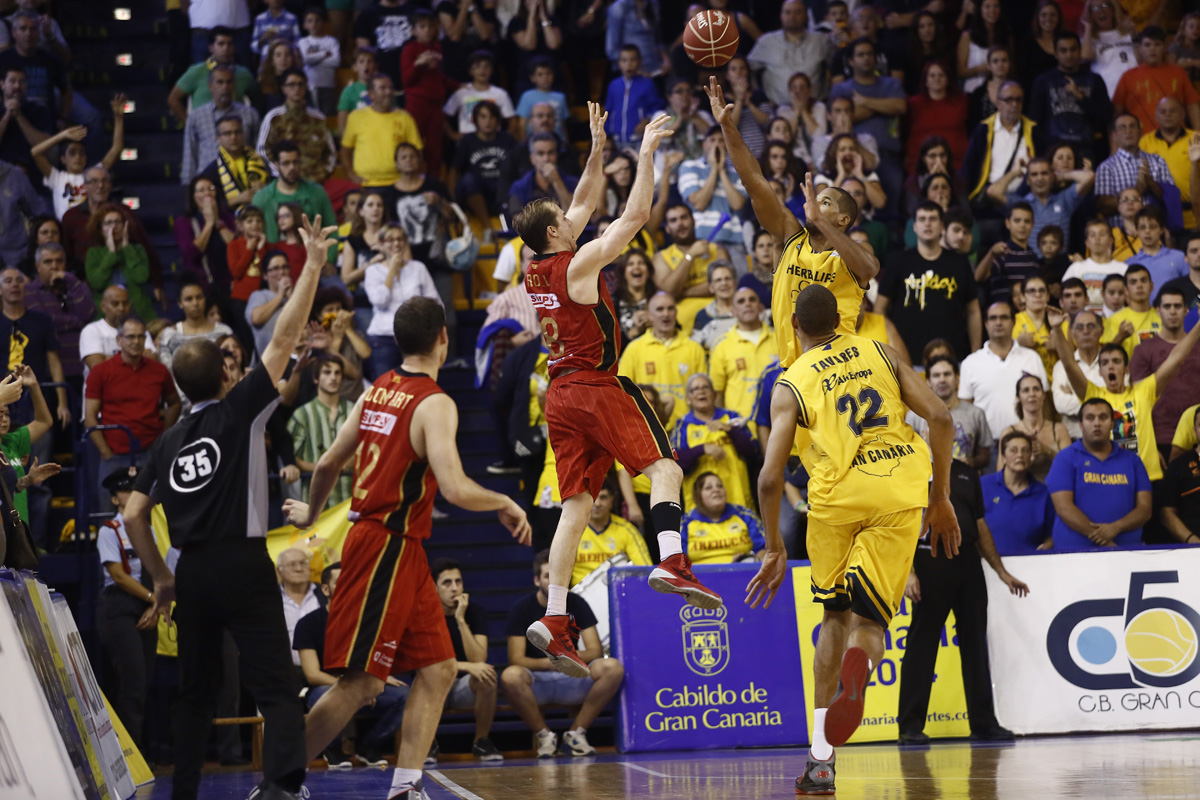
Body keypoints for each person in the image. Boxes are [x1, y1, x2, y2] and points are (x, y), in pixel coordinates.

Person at [282, 295, 530, 800]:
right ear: (444, 337)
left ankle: (405, 786)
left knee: (438, 669)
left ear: (398, 341)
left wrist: (310, 512)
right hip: (384, 546)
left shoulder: (375, 391)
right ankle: (279, 782)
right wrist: (504, 499)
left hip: (402, 548)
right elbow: (456, 487)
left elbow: (329, 462)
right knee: (361, 683)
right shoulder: (434, 402)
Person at [123, 214, 336, 800]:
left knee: (194, 692)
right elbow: (285, 339)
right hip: (243, 564)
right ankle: (282, 787)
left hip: (190, 570)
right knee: (274, 684)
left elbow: (135, 515)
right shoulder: (239, 410)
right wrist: (312, 265)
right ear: (222, 373)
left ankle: (184, 792)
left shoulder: (165, 440)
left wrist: (162, 577)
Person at [514, 106, 721, 680]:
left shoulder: (536, 267)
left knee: (575, 506)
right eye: (566, 219)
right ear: (557, 233)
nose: (576, 215)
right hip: (595, 384)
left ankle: (555, 617)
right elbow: (633, 216)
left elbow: (581, 199)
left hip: (558, 394)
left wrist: (599, 148)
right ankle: (673, 560)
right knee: (665, 470)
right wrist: (649, 151)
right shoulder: (578, 264)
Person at [752, 284, 960, 794]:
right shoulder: (880, 351)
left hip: (835, 499)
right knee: (871, 624)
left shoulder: (789, 383)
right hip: (897, 489)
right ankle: (861, 665)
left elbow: (769, 479)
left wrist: (774, 546)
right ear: (842, 320)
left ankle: (821, 760)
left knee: (834, 617)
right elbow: (940, 417)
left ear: (795, 327)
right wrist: (940, 498)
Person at [706, 77, 877, 370]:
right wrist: (727, 127)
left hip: (840, 369)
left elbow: (869, 269)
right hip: (792, 369)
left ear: (843, 219)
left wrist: (821, 225)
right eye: (815, 199)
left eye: (825, 203)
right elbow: (755, 181)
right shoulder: (789, 236)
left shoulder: (855, 252)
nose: (814, 205)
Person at [897, 456, 1026, 745]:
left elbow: (980, 524)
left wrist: (1001, 572)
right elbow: (899, 524)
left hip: (967, 560)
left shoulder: (967, 472)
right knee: (922, 644)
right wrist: (907, 572)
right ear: (923, 432)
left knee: (975, 644)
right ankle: (910, 726)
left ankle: (983, 723)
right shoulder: (909, 468)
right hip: (929, 557)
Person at [1051, 303, 1200, 483]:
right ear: (1100, 372)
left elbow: (1176, 358)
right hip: (1112, 478)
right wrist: (1057, 328)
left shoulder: (1144, 390)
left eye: (1116, 361)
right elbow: (1068, 364)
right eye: (1104, 363)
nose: (1111, 366)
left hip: (1148, 477)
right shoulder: (1093, 395)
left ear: (1127, 369)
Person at [293, 562, 408, 769]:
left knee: (404, 696)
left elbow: (372, 660)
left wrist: (376, 679)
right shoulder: (308, 623)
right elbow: (312, 674)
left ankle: (369, 747)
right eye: (340, 582)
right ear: (325, 589)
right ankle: (333, 749)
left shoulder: (366, 622)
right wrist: (354, 687)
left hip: (362, 684)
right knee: (322, 696)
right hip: (323, 688)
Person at [95, 465, 157, 752]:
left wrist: (155, 604)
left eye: (136, 490)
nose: (132, 495)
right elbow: (119, 576)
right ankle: (130, 754)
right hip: (119, 604)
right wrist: (153, 599)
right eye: (125, 491)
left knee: (144, 682)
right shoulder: (110, 531)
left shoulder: (149, 530)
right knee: (131, 680)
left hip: (147, 603)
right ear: (115, 499)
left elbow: (158, 571)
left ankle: (142, 749)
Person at [875, 203, 981, 361]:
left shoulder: (959, 263)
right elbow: (879, 310)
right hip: (906, 359)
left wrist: (975, 355)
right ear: (915, 226)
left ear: (942, 226)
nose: (927, 223)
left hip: (952, 359)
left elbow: (973, 311)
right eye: (922, 219)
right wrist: (886, 352)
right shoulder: (898, 261)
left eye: (932, 219)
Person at [1045, 397, 1153, 550]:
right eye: (1090, 418)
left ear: (1112, 424)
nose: (1096, 423)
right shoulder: (1065, 458)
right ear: (1081, 425)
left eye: (1103, 417)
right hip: (1073, 554)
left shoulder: (1132, 461)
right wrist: (1103, 538)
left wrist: (1116, 527)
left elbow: (1145, 510)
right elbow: (1063, 507)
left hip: (1126, 554)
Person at [431, 558, 503, 763]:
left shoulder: (474, 611)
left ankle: (481, 741)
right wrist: (467, 666)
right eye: (447, 583)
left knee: (487, 677)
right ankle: (429, 743)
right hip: (434, 685)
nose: (454, 588)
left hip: (464, 686)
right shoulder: (427, 614)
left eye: (458, 582)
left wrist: (461, 621)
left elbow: (479, 659)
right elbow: (430, 664)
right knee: (432, 677)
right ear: (434, 588)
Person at [959, 301, 1049, 449]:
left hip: (1028, 442)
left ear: (1013, 322)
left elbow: (1045, 403)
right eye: (993, 318)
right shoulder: (970, 363)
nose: (998, 322)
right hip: (985, 447)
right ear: (986, 324)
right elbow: (965, 411)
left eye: (1004, 317)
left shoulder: (1032, 358)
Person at [1130, 285, 1200, 466]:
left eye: (1177, 306)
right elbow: (1139, 403)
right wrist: (1149, 446)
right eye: (1167, 306)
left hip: (1196, 435)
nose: (1172, 311)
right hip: (1161, 436)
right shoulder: (1143, 350)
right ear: (1158, 311)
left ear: (1186, 310)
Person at [618, 292, 708, 429]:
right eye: (660, 309)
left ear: (676, 312)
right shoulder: (634, 349)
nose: (666, 314)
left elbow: (704, 394)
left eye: (670, 308)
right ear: (650, 315)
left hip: (687, 430)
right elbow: (623, 395)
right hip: (648, 430)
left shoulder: (694, 348)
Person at [363, 224, 440, 378]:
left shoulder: (418, 268)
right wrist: (392, 268)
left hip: (415, 338)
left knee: (416, 386)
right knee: (387, 389)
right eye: (390, 240)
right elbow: (380, 300)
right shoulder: (372, 271)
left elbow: (435, 303)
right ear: (381, 244)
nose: (396, 244)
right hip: (384, 338)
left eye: (400, 239)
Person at [672, 372, 756, 511]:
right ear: (688, 398)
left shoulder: (732, 417)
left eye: (705, 387)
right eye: (695, 389)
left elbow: (753, 452)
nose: (701, 391)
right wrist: (702, 449)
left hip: (738, 498)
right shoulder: (682, 425)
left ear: (714, 394)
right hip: (698, 508)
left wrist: (730, 430)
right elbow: (677, 464)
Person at [1028, 33, 1113, 163]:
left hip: (1087, 148)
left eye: (1073, 49)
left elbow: (1106, 116)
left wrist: (1081, 97)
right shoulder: (1043, 81)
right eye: (1064, 50)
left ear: (1079, 51)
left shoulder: (1094, 79)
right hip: (1054, 149)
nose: (1069, 55)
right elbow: (1034, 121)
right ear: (1055, 53)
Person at [251, 140, 337, 264]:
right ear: (276, 165)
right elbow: (255, 236)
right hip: (276, 268)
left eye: (295, 162)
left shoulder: (317, 193)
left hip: (315, 262)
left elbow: (332, 229)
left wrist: (327, 261)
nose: (292, 167)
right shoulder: (261, 199)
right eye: (286, 163)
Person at [651, 205, 730, 336]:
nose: (680, 223)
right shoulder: (660, 258)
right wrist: (691, 255)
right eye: (673, 220)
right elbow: (668, 292)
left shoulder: (717, 251)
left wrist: (682, 292)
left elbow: (724, 285)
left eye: (684, 217)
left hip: (719, 325)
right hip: (681, 331)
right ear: (667, 228)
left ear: (693, 221)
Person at [679, 126, 749, 269]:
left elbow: (737, 204)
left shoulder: (738, 172)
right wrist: (713, 169)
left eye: (721, 140)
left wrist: (722, 170)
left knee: (738, 287)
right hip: (702, 240)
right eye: (712, 140)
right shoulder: (689, 166)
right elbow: (699, 203)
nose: (717, 144)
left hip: (734, 241)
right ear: (704, 144)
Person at [287, 354, 353, 504]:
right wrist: (321, 468)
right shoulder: (302, 414)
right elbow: (291, 457)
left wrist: (346, 464)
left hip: (348, 503)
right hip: (314, 505)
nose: (333, 377)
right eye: (327, 372)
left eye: (337, 373)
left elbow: (365, 448)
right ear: (316, 378)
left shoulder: (354, 410)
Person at [181, 66, 262, 187]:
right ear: (210, 86)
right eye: (220, 82)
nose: (225, 87)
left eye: (229, 82)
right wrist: (188, 185)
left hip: (244, 182)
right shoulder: (196, 116)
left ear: (233, 85)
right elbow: (190, 154)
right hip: (208, 183)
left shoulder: (250, 114)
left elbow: (258, 150)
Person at [709, 288, 777, 427]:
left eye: (752, 300)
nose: (747, 304)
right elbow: (717, 394)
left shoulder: (779, 339)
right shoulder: (722, 345)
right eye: (741, 301)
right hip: (741, 429)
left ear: (760, 307)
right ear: (733, 311)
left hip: (778, 423)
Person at [339, 74, 423, 187]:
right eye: (383, 88)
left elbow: (417, 151)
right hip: (366, 184)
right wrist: (350, 173)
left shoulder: (405, 117)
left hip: (398, 183)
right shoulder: (356, 117)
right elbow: (346, 150)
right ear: (371, 94)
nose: (388, 92)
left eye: (390, 88)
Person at [256, 68, 337, 184]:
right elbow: (261, 151)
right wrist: (280, 172)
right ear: (284, 89)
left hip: (314, 183)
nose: (297, 88)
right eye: (291, 85)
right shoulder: (273, 117)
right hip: (282, 181)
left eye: (301, 84)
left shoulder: (318, 118)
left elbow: (330, 152)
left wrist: (323, 173)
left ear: (306, 87)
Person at [1113, 27, 1200, 133]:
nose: (1152, 49)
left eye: (1157, 44)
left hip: (1176, 141)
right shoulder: (1128, 76)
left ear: (1164, 47)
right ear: (1139, 48)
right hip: (1140, 142)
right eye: (1147, 45)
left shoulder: (1178, 72)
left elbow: (1192, 107)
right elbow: (1116, 113)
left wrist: (1198, 136)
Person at [982, 430, 1056, 553]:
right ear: (1003, 457)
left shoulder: (1044, 493)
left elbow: (1053, 534)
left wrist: (1048, 545)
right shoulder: (983, 485)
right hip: (987, 563)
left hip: (1030, 565)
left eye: (1025, 450)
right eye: (1013, 450)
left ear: (1031, 457)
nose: (1020, 455)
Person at [1094, 113, 1175, 225]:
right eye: (1122, 127)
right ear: (1115, 135)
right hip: (1121, 234)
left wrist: (1150, 182)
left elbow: (1171, 200)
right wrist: (1137, 191)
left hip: (1154, 231)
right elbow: (1104, 206)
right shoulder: (1106, 167)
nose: (1128, 131)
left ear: (1140, 131)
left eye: (1133, 126)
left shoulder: (1158, 161)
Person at [914, 356, 992, 471]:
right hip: (927, 481)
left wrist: (971, 462)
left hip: (966, 481)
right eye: (936, 375)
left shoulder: (976, 414)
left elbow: (985, 455)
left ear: (957, 379)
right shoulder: (915, 415)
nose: (942, 380)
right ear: (928, 382)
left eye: (947, 374)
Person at [747, 0, 833, 105]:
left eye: (797, 12)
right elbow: (748, 68)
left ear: (806, 15)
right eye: (788, 12)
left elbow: (835, 68)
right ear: (781, 15)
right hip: (776, 112)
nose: (792, 17)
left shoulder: (820, 40)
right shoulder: (766, 41)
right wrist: (758, 96)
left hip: (814, 108)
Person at [571, 478, 651, 585]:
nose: (597, 503)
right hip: (579, 597)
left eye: (603, 497)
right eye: (592, 497)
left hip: (617, 594)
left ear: (612, 500)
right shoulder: (572, 530)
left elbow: (645, 569)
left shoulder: (627, 530)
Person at [995, 374, 1072, 481]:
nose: (1032, 394)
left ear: (1043, 395)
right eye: (1026, 390)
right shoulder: (1009, 432)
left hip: (1054, 490)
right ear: (1018, 397)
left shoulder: (1059, 429)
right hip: (1021, 491)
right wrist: (1026, 458)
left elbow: (1071, 467)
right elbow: (1001, 474)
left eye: (1036, 389)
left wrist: (1047, 451)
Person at [681, 471, 765, 563]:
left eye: (720, 486)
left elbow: (765, 549)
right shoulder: (685, 522)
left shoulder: (745, 515)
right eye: (708, 488)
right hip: (698, 575)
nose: (716, 489)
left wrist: (751, 557)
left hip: (741, 573)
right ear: (698, 495)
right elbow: (679, 561)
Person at [974, 201, 1040, 304]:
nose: (1022, 225)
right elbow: (978, 277)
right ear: (1008, 223)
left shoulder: (1033, 256)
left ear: (1033, 225)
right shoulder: (1001, 252)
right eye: (1017, 221)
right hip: (1003, 315)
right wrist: (991, 253)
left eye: (1027, 221)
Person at [79, 286, 155, 375]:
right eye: (115, 304)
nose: (121, 308)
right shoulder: (92, 330)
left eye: (125, 303)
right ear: (103, 306)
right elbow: (97, 368)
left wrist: (108, 359)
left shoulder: (139, 328)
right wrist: (136, 357)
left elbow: (152, 360)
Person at [1100, 263, 1162, 361]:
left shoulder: (1163, 317)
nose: (1139, 286)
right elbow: (1103, 358)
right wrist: (1120, 336)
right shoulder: (1114, 320)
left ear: (1151, 286)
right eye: (1133, 282)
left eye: (1143, 281)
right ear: (1126, 290)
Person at [1062, 219, 1129, 310]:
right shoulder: (1076, 268)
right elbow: (1065, 298)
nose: (1097, 238)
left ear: (1111, 241)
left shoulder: (1123, 269)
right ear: (1087, 243)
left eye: (1102, 234)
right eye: (1093, 235)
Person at [1159, 412, 1200, 545]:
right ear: (1194, 431)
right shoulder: (1179, 465)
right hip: (1191, 550)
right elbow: (1166, 513)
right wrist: (1192, 541)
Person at [276, 547, 320, 668]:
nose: (299, 569)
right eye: (292, 564)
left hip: (325, 670)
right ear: (279, 571)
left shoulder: (325, 594)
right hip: (284, 672)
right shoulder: (269, 601)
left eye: (303, 563)